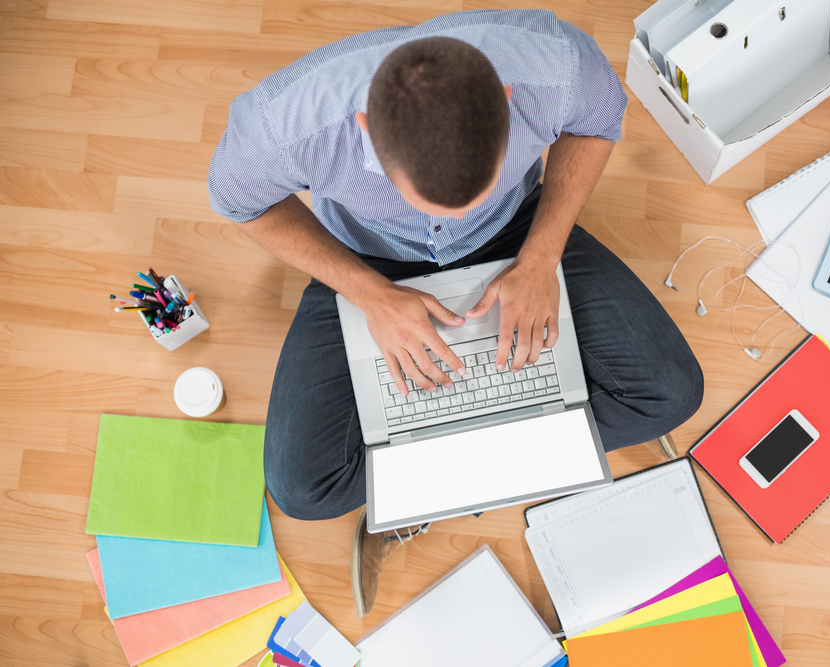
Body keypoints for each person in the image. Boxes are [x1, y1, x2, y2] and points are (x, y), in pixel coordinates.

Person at [208, 9, 704, 617]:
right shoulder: (284, 124)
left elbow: (598, 124)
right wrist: (371, 295)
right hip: (371, 264)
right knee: (301, 491)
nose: (451, 220)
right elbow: (242, 203)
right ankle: (509, 450)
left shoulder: (555, 64)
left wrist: (541, 256)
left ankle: (425, 491)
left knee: (672, 394)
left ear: (505, 99)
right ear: (364, 130)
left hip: (518, 238)